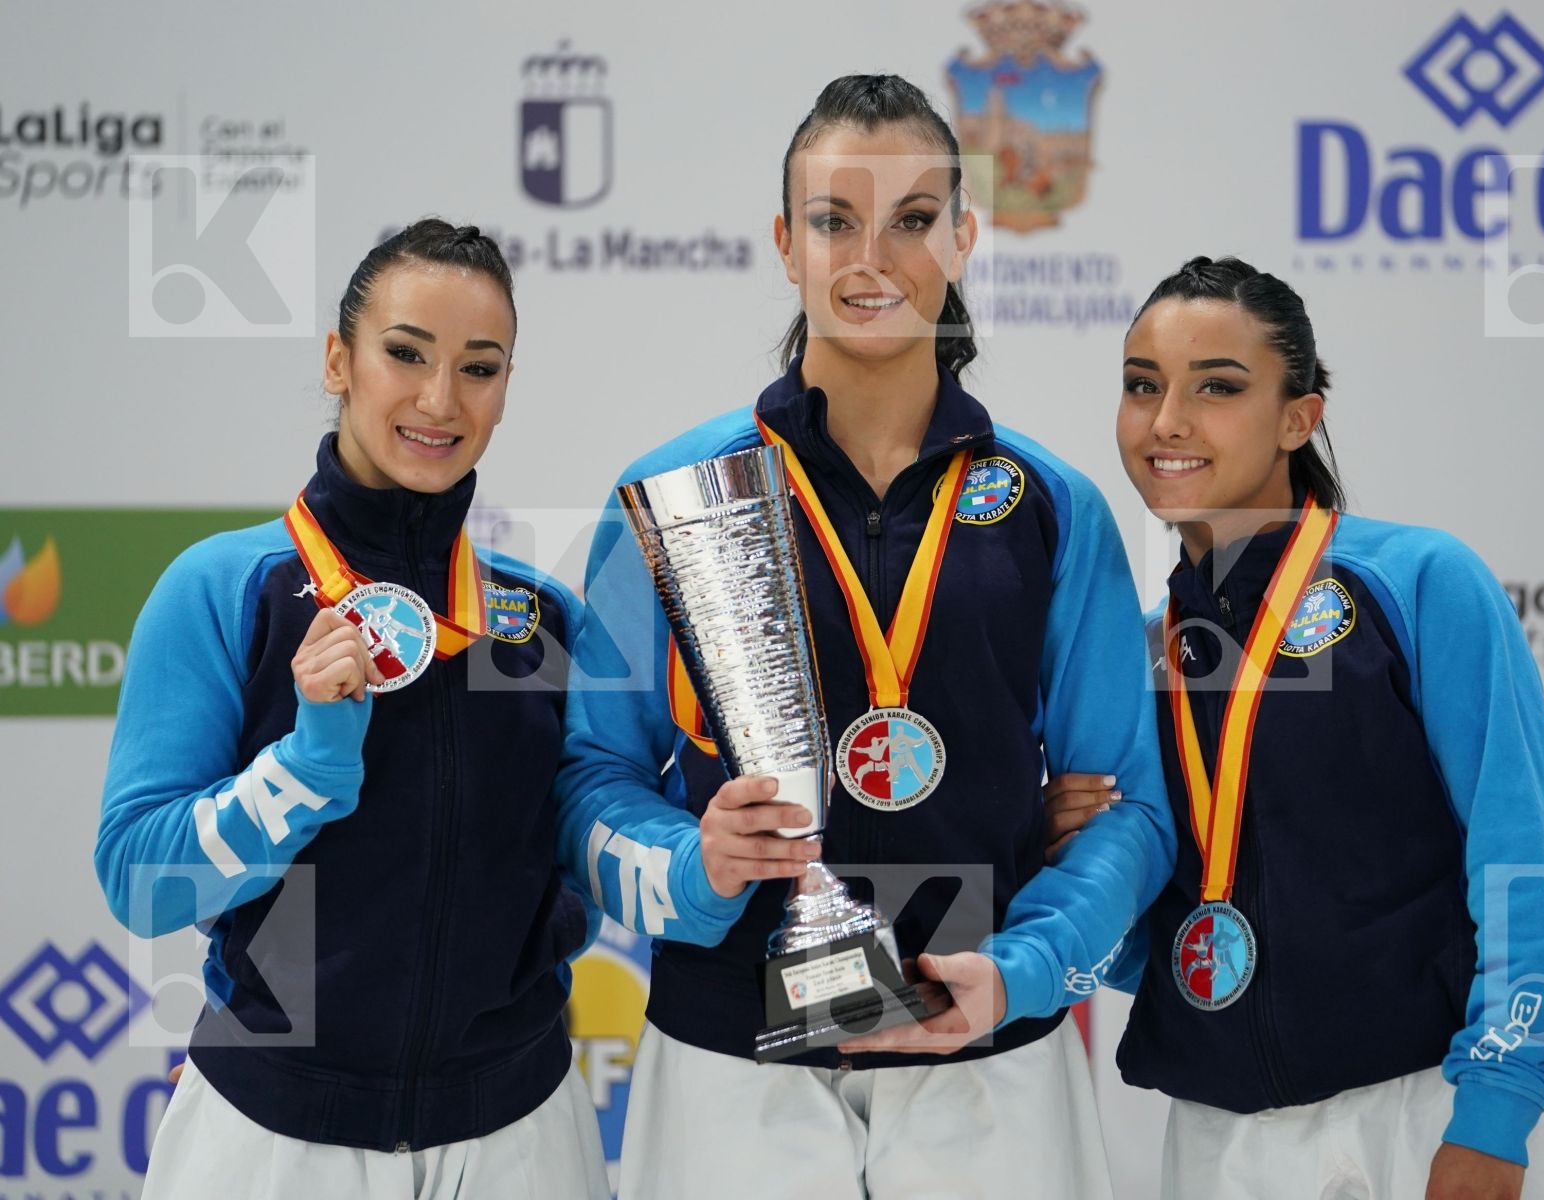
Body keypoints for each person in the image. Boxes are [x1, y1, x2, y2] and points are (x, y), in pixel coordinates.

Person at [553, 74, 1174, 1199]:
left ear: (966, 235)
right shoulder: (677, 494)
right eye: (836, 220)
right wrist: (695, 866)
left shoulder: (1051, 504)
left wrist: (1023, 972)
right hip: (730, 1063)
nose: (870, 255)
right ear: (786, 242)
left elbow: (1129, 810)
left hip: (987, 1056)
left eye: (913, 221)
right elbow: (587, 781)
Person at [1050, 254, 1544, 1200]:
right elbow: (1167, 939)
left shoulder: (1417, 584)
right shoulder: (1143, 658)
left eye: (1218, 387)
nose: (1168, 422)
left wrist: (1495, 1109)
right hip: (1224, 1144)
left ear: (1298, 416)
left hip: (1439, 1108)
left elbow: (1524, 861)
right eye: (1142, 385)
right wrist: (1068, 856)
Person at [95, 219, 608, 1198]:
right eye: (404, 353)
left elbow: (585, 849)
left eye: (479, 367)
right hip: (272, 1134)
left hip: (519, 1137)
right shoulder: (227, 588)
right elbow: (140, 883)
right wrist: (305, 768)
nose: (438, 399)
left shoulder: (539, 622)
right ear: (339, 359)